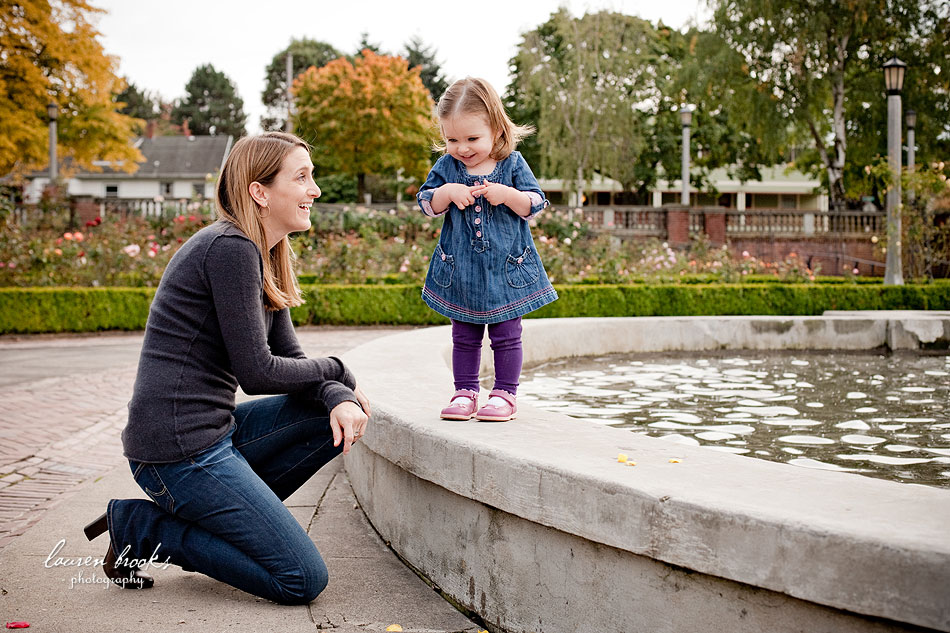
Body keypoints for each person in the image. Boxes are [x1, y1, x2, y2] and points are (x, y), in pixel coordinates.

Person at [82, 132, 371, 605]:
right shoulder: (230, 248)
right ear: (260, 191)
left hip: (214, 432)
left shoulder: (265, 252)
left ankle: (223, 519)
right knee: (301, 579)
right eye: (302, 177)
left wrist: (339, 392)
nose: (314, 190)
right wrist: (339, 368)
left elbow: (292, 359)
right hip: (177, 451)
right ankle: (142, 528)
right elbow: (258, 373)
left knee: (329, 417)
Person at [417, 77, 557, 422]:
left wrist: (508, 195)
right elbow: (426, 202)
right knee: (463, 334)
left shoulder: (513, 163)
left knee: (507, 335)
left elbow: (534, 202)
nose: (462, 148)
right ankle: (465, 391)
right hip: (461, 268)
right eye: (452, 139)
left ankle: (505, 394)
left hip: (507, 268)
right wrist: (447, 193)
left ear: (495, 129)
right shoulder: (447, 168)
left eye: (472, 139)